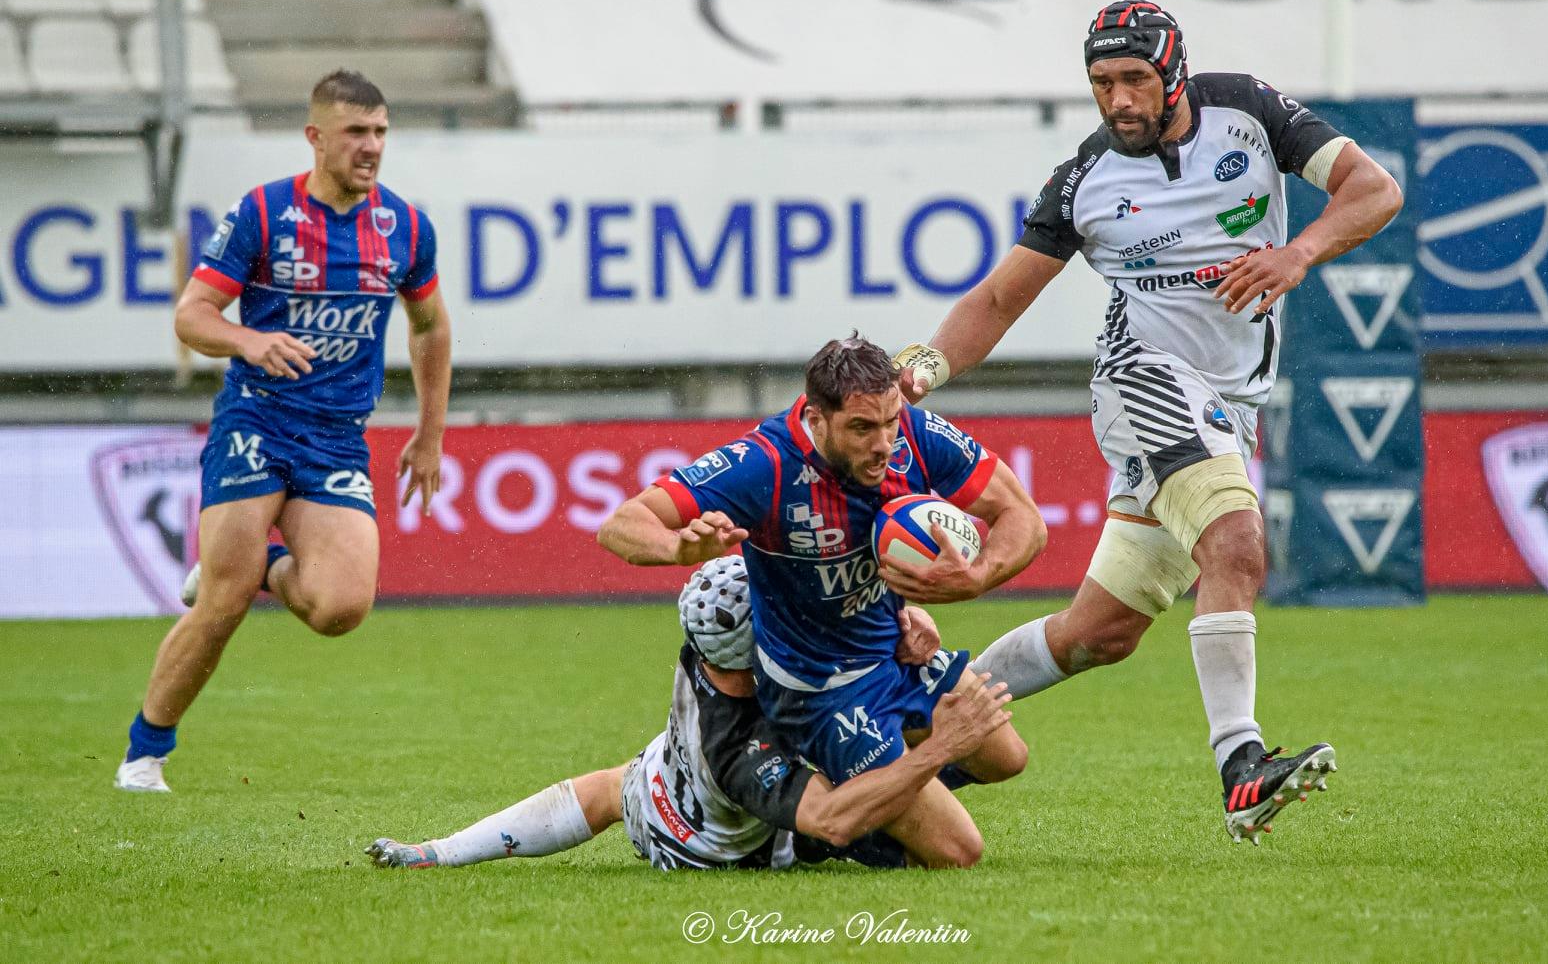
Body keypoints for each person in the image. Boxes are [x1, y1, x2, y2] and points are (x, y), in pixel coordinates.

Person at [894, 0, 1401, 844]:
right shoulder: (1084, 177)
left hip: (1229, 403)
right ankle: (1243, 766)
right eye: (1102, 83)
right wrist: (920, 370)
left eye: (1135, 79)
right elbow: (997, 299)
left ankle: (923, 721)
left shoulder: (1249, 111)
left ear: (1175, 72)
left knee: (1101, 633)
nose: (1119, 100)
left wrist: (1297, 252)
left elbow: (1375, 190)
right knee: (1235, 543)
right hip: (1145, 382)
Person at [115, 70, 452, 793]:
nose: (371, 148)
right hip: (256, 421)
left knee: (341, 609)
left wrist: (430, 434)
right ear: (316, 137)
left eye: (381, 133)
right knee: (224, 602)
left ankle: (263, 567)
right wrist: (246, 340)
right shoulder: (264, 214)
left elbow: (430, 326)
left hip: (335, 437)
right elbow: (192, 315)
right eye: (356, 133)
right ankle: (145, 755)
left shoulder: (404, 227)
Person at [598, 335, 1047, 868]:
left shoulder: (914, 437)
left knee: (1005, 758)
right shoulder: (762, 466)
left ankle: (863, 793)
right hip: (818, 690)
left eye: (889, 422)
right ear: (816, 417)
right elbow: (620, 525)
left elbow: (1024, 518)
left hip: (891, 653)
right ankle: (837, 822)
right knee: (958, 852)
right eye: (861, 428)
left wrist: (977, 578)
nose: (883, 444)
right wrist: (676, 546)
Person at [368, 556, 1013, 871]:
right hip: (722, 845)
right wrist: (938, 748)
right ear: (752, 651)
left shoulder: (708, 638)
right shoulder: (739, 749)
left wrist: (893, 628)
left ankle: (434, 853)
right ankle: (438, 854)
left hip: (655, 782)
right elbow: (834, 820)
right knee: (952, 847)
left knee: (605, 792)